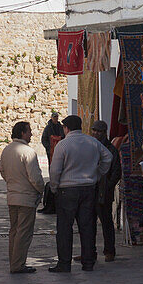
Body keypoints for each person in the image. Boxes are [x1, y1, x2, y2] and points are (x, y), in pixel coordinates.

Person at [48, 114, 112, 273]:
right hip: (88, 188)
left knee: (64, 228)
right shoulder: (92, 142)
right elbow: (108, 157)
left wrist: (54, 187)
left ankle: (64, 263)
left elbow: (55, 170)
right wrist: (97, 174)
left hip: (67, 189)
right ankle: (88, 262)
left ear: (66, 128)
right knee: (87, 226)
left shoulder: (63, 145)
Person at [0, 121, 45, 275]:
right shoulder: (27, 152)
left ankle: (14, 261)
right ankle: (18, 264)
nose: (31, 134)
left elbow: (3, 172)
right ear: (23, 133)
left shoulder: (6, 150)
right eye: (29, 131)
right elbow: (35, 178)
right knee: (23, 233)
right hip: (26, 198)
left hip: (12, 196)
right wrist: (41, 189)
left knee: (14, 231)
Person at [90, 120, 122, 262]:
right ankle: (89, 251)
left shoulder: (110, 149)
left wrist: (107, 187)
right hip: (90, 189)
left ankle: (109, 251)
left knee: (107, 223)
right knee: (88, 223)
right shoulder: (90, 148)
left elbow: (116, 172)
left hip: (104, 192)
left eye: (99, 131)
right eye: (94, 130)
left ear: (104, 133)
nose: (96, 133)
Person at [38, 112, 65, 214]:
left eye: (57, 117)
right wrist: (49, 148)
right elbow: (44, 139)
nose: (56, 119)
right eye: (54, 117)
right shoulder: (48, 128)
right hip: (51, 152)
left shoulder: (60, 127)